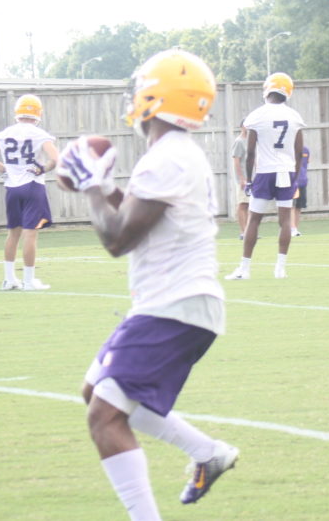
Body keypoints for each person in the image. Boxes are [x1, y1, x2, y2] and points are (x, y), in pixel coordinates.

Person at [58, 49, 238, 520]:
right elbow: (139, 216)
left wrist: (93, 186)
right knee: (93, 391)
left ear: (154, 98)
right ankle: (207, 452)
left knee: (104, 415)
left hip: (175, 306)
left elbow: (117, 238)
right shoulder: (173, 155)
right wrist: (100, 185)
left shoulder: (169, 158)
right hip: (170, 304)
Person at [225, 72, 305, 280]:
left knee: (254, 220)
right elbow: (299, 152)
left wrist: (250, 180)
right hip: (286, 171)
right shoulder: (294, 116)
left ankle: (245, 268)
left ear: (268, 89)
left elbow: (251, 153)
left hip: (265, 171)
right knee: (285, 220)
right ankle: (280, 268)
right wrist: (295, 177)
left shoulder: (257, 115)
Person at [0, 94, 59, 291]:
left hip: (12, 187)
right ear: (38, 113)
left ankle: (9, 279)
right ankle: (29, 280)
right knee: (30, 234)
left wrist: (6, 169)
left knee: (13, 233)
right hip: (32, 185)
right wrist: (43, 168)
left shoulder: (6, 133)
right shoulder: (39, 134)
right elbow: (55, 159)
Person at [230, 125, 250, 238]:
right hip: (244, 179)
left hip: (252, 178)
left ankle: (248, 231)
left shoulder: (251, 140)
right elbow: (236, 161)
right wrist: (241, 178)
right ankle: (243, 232)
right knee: (242, 204)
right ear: (242, 127)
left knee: (248, 204)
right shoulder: (239, 141)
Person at [292, 144, 310, 237]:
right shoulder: (289, 149)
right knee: (291, 206)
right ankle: (291, 228)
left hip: (302, 181)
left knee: (299, 206)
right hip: (292, 182)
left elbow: (306, 164)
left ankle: (295, 229)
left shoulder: (306, 150)